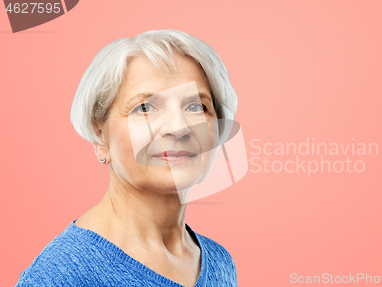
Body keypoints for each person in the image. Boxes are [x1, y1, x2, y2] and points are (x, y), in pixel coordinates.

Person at [16, 29, 238, 287]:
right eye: (145, 108)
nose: (178, 128)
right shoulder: (60, 276)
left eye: (195, 107)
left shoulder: (220, 263)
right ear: (101, 136)